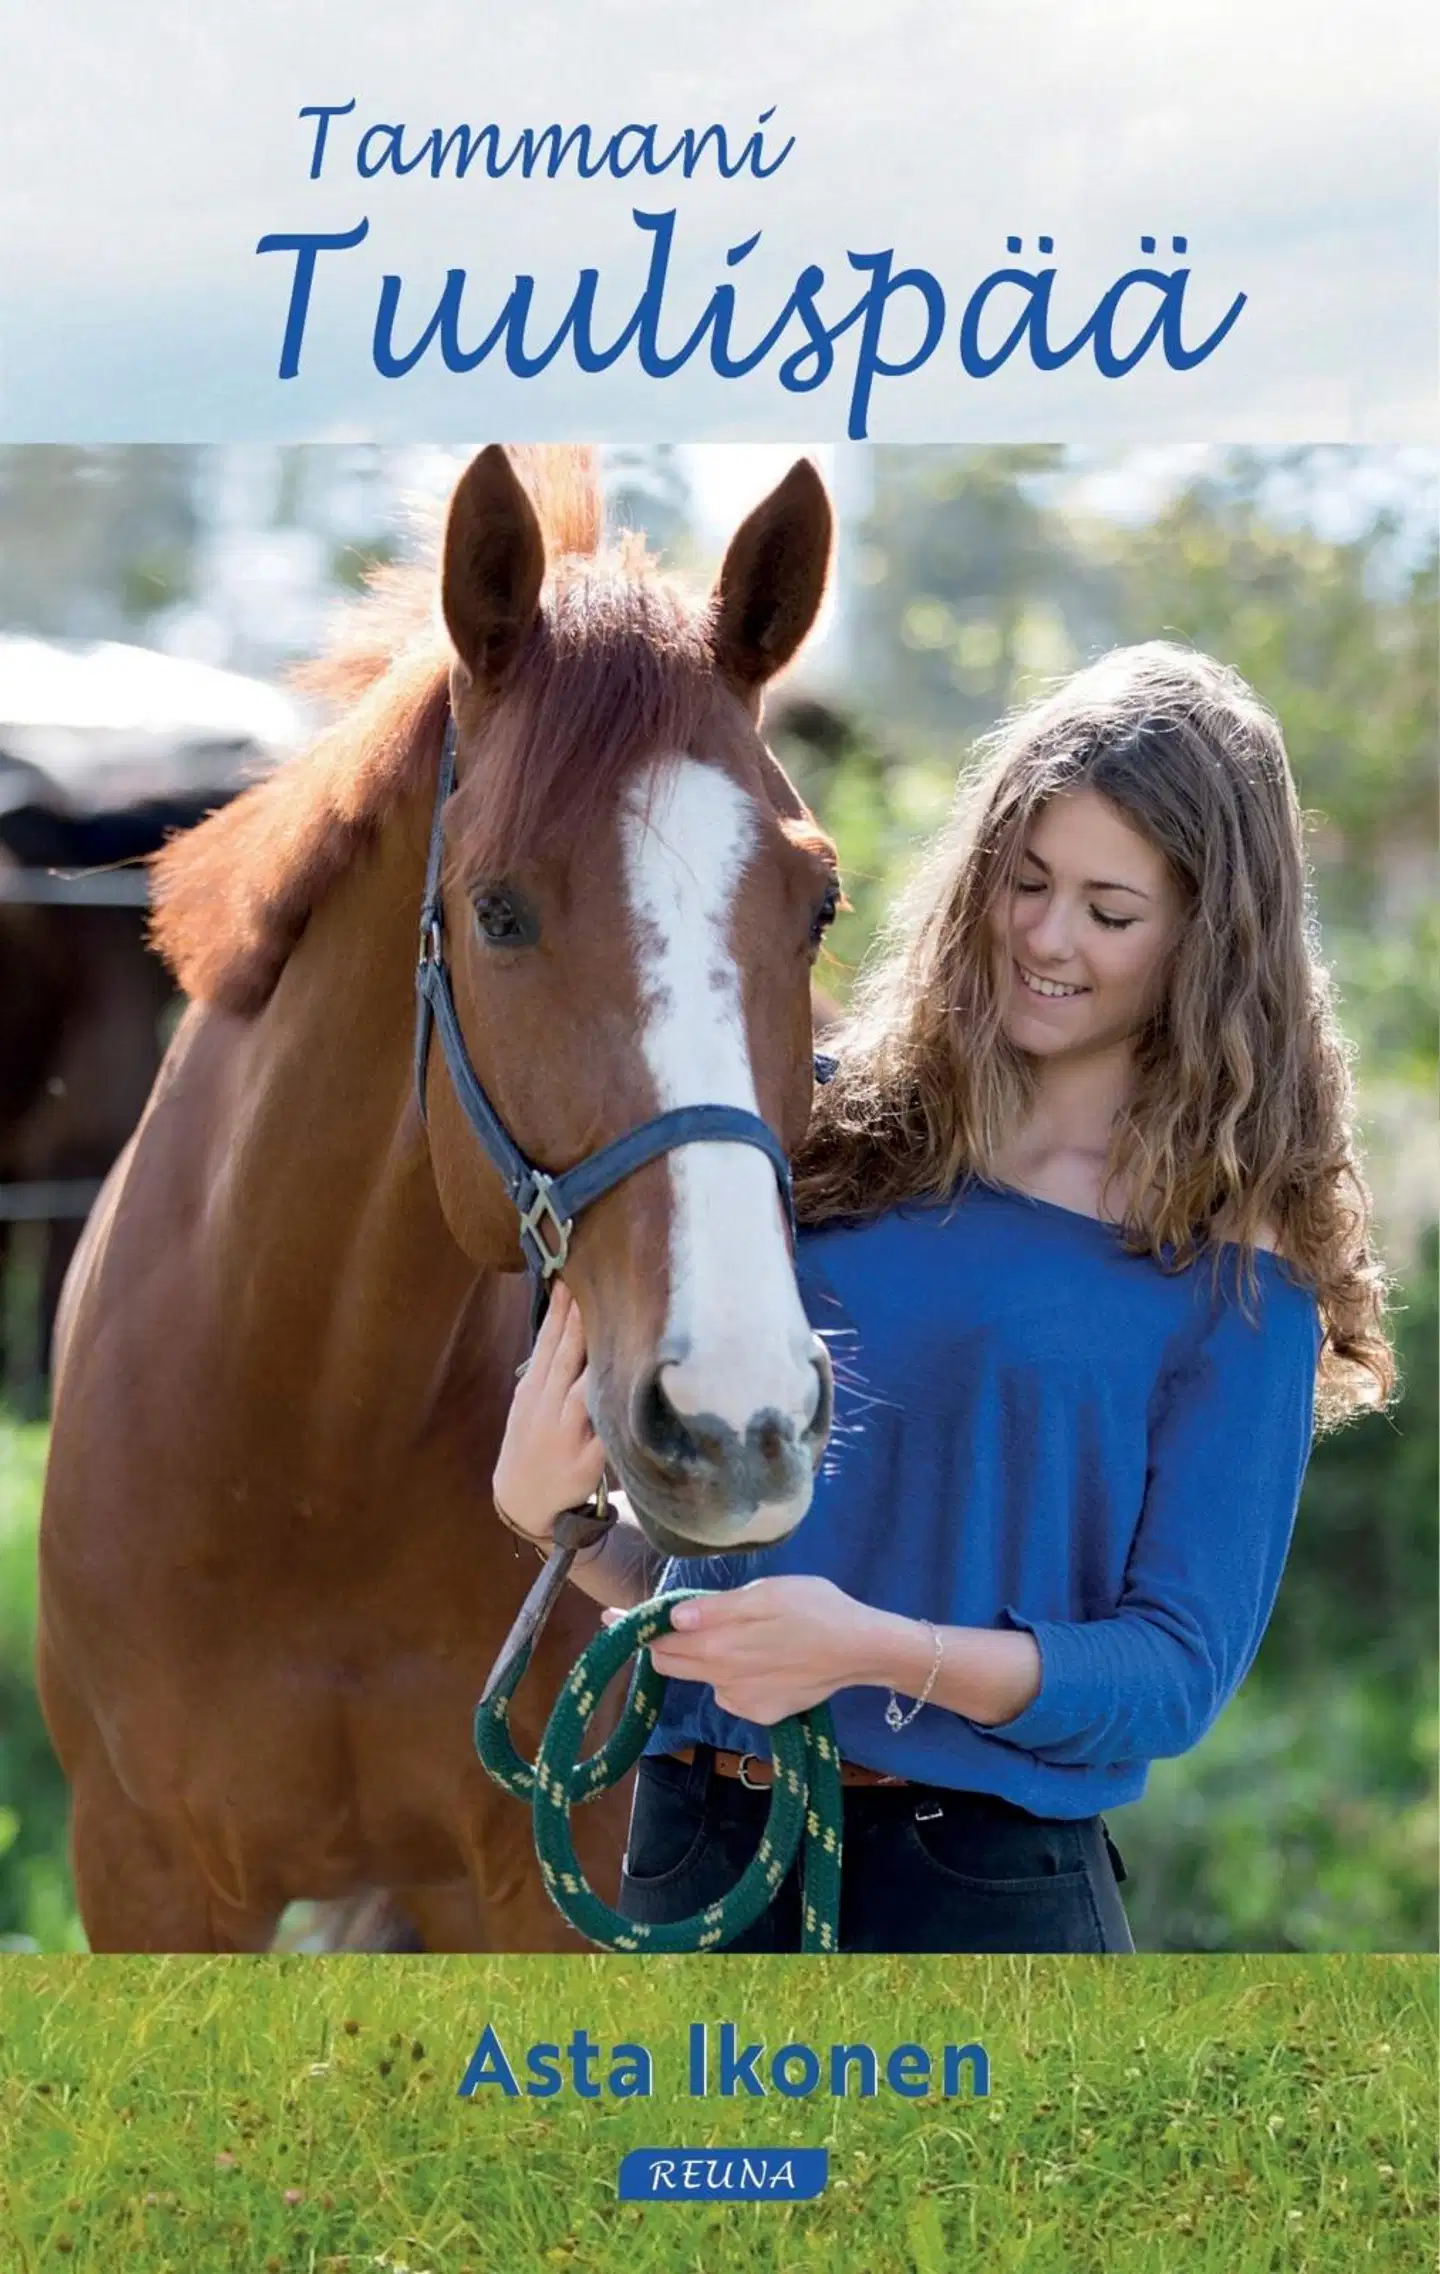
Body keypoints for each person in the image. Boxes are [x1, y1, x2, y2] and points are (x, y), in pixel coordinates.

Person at [491, 643, 1394, 1954]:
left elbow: (1172, 1673)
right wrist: (558, 1526)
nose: (1045, 934)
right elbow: (717, 1589)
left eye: (1108, 907)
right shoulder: (827, 1124)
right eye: (1025, 882)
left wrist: (878, 1650)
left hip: (973, 1893)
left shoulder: (1235, 1249)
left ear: (1211, 935)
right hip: (695, 1847)